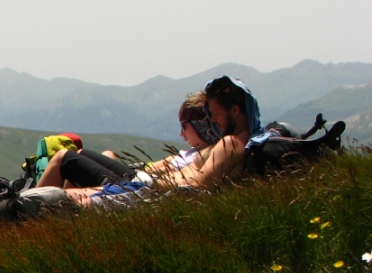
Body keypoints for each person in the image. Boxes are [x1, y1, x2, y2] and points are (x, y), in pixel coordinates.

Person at [40, 76, 261, 207]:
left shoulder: (231, 143)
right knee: (59, 193)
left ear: (235, 110)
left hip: (148, 189)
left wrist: (153, 181)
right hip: (145, 185)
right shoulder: (232, 142)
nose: (213, 120)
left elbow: (196, 184)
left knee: (58, 194)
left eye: (217, 114)